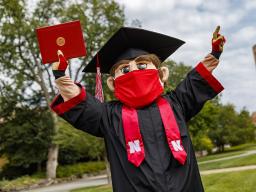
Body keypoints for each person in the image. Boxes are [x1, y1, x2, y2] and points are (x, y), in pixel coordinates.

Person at [50, 26, 226, 192]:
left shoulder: (176, 103)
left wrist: (215, 54)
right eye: (125, 69)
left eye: (142, 65)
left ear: (162, 74)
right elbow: (82, 104)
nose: (134, 72)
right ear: (112, 83)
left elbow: (193, 82)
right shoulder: (109, 116)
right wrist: (61, 76)